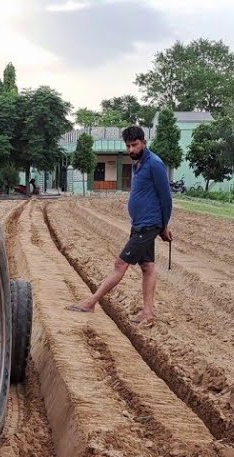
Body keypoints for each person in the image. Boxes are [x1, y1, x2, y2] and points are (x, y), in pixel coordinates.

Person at [67, 126, 173, 324]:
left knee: (120, 264)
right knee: (148, 267)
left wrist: (164, 226)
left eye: (135, 145)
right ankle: (148, 312)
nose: (131, 150)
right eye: (128, 146)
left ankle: (91, 302)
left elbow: (166, 198)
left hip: (149, 225)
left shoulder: (155, 164)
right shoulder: (138, 164)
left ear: (144, 142)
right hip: (140, 224)